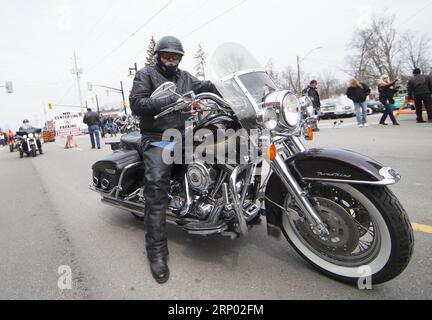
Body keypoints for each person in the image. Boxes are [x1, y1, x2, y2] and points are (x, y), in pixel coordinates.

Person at [129, 35, 219, 284]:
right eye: (167, 55)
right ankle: (156, 253)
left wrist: (228, 88)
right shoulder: (145, 75)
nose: (171, 60)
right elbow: (136, 104)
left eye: (175, 56)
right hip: (157, 137)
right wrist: (172, 100)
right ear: (158, 56)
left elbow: (205, 86)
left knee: (218, 154)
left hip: (181, 135)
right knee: (157, 187)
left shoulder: (185, 77)